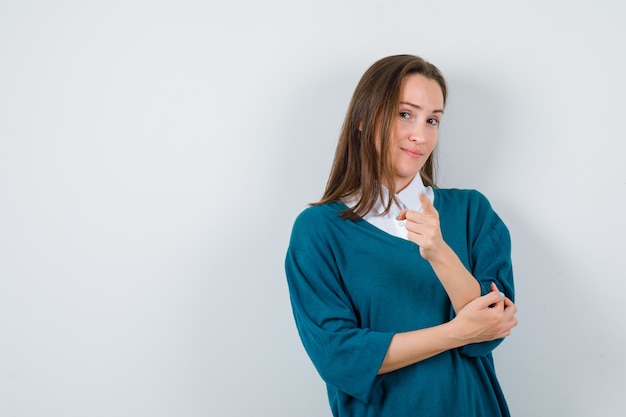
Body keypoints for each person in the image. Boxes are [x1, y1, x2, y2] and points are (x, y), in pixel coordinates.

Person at [284, 54, 518, 417]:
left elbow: (491, 330)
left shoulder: (472, 212)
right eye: (404, 114)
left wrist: (440, 252)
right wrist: (455, 332)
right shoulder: (318, 231)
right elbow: (339, 357)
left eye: (433, 120)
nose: (419, 135)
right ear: (363, 118)